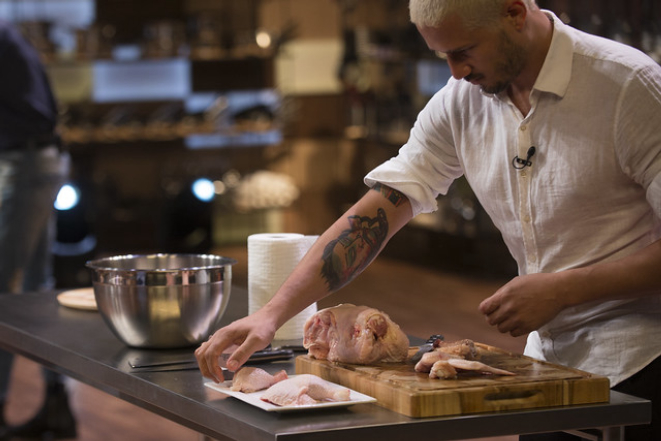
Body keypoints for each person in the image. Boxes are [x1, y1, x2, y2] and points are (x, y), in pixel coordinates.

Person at [196, 1, 661, 439]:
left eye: (463, 51)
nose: (455, 72)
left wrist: (563, 289)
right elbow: (375, 213)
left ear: (515, 13)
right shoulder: (462, 100)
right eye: (442, 55)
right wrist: (272, 314)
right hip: (548, 369)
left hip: (644, 361)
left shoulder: (626, 86)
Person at [0, 20, 76, 440]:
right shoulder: (7, 35)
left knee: (7, 295)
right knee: (33, 290)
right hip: (34, 161)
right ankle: (57, 405)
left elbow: (33, 114)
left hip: (27, 164)